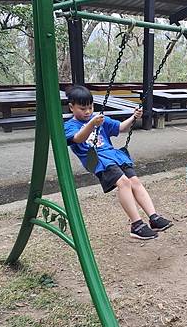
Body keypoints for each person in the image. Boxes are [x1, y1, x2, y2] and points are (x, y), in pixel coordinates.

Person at [64, 85, 172, 240]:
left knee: (135, 181)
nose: (88, 112)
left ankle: (154, 218)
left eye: (90, 107)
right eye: (83, 108)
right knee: (124, 183)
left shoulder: (98, 118)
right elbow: (78, 138)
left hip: (114, 156)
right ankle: (137, 225)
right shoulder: (70, 126)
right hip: (99, 161)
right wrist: (92, 124)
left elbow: (120, 127)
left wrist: (133, 117)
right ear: (71, 107)